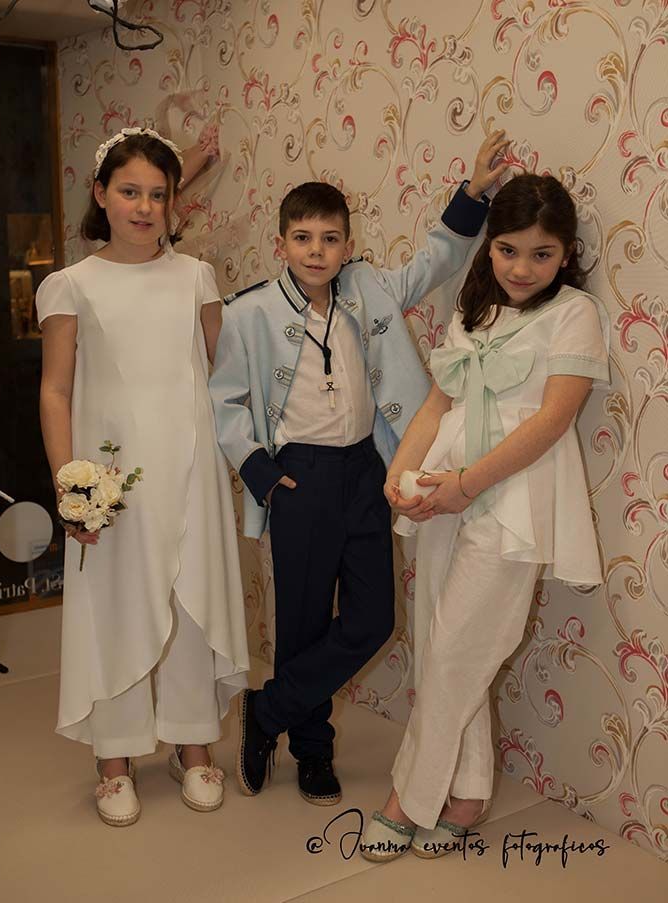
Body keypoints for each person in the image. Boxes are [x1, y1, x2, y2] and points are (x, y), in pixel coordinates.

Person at [209, 134, 508, 806]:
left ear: (348, 243)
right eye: (303, 237)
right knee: (305, 620)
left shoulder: (369, 286)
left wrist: (474, 194)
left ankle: (269, 709)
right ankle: (311, 750)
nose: (317, 250)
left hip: (369, 470)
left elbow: (436, 258)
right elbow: (222, 399)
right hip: (299, 478)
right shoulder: (248, 312)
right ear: (281, 244)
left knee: (373, 618)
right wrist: (260, 470)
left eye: (331, 237)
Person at [360, 172, 610, 861]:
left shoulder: (574, 314)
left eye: (541, 253)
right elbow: (438, 406)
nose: (522, 267)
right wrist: (398, 476)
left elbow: (555, 420)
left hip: (511, 501)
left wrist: (466, 485)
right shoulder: (474, 310)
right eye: (507, 250)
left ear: (566, 255)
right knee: (438, 639)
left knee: (457, 651)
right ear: (489, 248)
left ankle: (406, 798)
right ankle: (468, 792)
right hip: (440, 490)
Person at [37, 127, 249, 827]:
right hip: (111, 476)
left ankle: (193, 743)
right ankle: (115, 756)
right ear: (100, 196)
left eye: (159, 194)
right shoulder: (70, 284)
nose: (145, 207)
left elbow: (223, 379)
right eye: (129, 191)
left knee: (191, 601)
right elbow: (57, 391)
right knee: (117, 606)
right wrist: (72, 485)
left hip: (189, 472)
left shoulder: (195, 276)